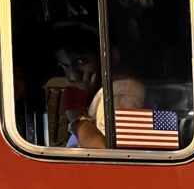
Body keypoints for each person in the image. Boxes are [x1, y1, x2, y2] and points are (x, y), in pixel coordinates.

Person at [52, 21, 145, 149]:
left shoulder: (121, 91)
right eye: (65, 66)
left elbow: (103, 151)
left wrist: (76, 113)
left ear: (111, 57)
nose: (73, 75)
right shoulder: (100, 93)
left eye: (81, 61)